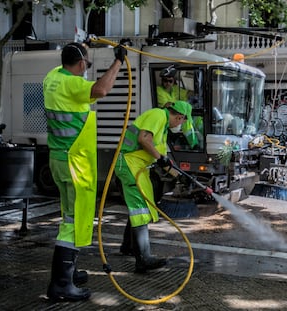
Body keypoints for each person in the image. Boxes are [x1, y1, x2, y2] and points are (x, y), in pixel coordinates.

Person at [43, 42, 127, 301]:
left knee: (69, 217)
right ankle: (60, 285)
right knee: (72, 222)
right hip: (74, 163)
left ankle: (69, 274)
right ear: (81, 64)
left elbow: (78, 81)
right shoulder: (74, 85)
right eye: (87, 64)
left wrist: (83, 47)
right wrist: (118, 62)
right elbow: (102, 89)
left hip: (58, 158)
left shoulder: (52, 78)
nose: (86, 68)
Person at [115, 100, 191, 273]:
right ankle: (143, 259)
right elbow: (143, 139)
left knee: (140, 208)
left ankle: (128, 247)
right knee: (139, 209)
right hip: (128, 164)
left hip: (137, 167)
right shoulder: (158, 115)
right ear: (179, 117)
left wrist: (181, 177)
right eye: (183, 122)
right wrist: (159, 157)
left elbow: (163, 160)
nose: (181, 125)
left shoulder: (162, 127)